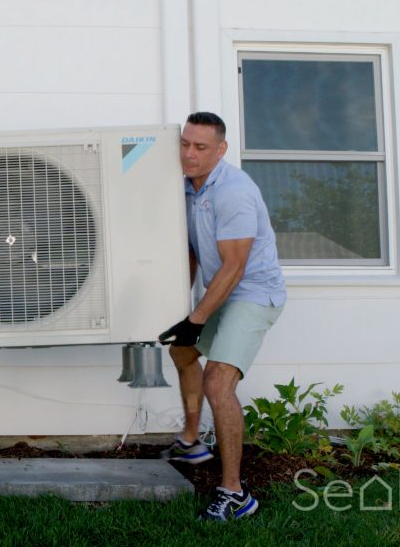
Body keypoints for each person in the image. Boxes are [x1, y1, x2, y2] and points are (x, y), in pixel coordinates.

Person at [158, 112, 286, 521]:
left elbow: (234, 266)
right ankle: (193, 442)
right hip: (224, 291)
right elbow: (193, 250)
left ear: (221, 149)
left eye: (200, 148)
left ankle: (235, 494)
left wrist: (196, 319)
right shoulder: (187, 188)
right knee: (182, 353)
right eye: (185, 144)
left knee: (218, 382)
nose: (189, 155)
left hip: (252, 292)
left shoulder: (233, 191)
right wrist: (180, 305)